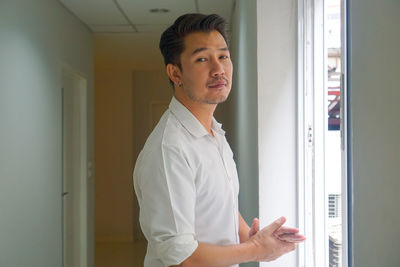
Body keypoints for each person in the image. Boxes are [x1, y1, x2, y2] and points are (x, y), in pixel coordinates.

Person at [133, 13, 306, 267]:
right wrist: (256, 250)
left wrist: (249, 236)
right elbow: (182, 257)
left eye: (223, 56)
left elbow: (216, 204)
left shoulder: (213, 134)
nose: (219, 69)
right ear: (175, 73)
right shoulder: (170, 149)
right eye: (202, 59)